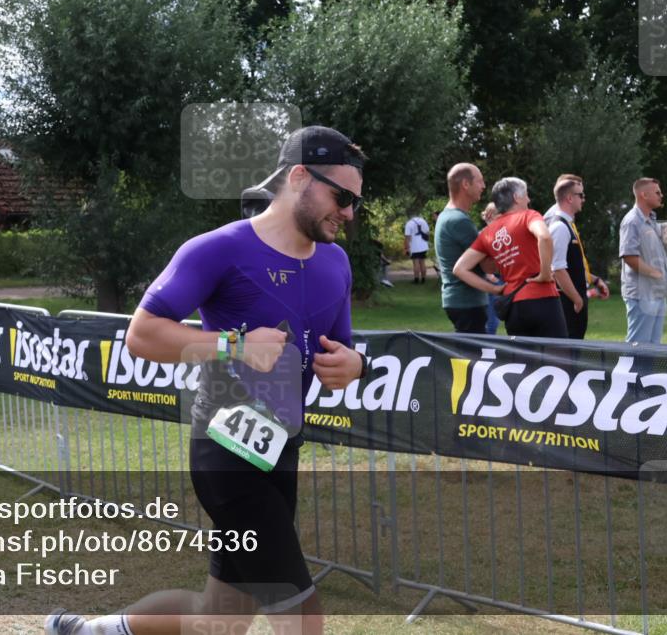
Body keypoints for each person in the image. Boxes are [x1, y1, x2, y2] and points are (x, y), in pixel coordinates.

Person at [45, 126, 367, 635]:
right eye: (342, 197)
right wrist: (235, 346)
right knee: (301, 616)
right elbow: (142, 334)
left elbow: (338, 354)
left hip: (281, 453)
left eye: (355, 203)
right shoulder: (219, 249)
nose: (349, 213)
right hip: (226, 455)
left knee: (219, 618)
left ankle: (92, 631)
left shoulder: (336, 261)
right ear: (300, 176)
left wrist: (354, 366)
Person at [453, 177, 567, 338]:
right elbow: (545, 237)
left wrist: (494, 289)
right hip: (543, 298)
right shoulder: (528, 215)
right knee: (558, 358)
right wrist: (545, 273)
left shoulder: (487, 232)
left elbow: (460, 268)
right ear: (516, 197)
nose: (528, 199)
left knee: (522, 361)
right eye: (526, 195)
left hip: (513, 305)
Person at [543, 174, 610, 339]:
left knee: (574, 344)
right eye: (581, 195)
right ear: (569, 198)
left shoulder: (567, 224)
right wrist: (577, 299)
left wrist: (593, 280)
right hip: (567, 302)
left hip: (573, 299)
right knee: (568, 349)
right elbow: (557, 269)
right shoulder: (559, 226)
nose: (584, 199)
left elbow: (574, 264)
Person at [435, 163, 489, 333]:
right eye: (479, 181)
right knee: (473, 357)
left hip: (460, 301)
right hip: (467, 303)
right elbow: (487, 262)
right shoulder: (459, 220)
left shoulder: (448, 215)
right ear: (466, 184)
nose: (483, 186)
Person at [619, 177, 667, 344]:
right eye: (657, 192)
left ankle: (645, 372)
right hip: (642, 294)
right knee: (638, 347)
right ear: (644, 195)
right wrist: (655, 273)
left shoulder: (651, 219)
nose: (661, 195)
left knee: (652, 347)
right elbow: (628, 256)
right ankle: (626, 371)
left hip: (655, 292)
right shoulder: (632, 221)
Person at [480, 202, 502, 335]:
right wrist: (489, 276)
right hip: (491, 281)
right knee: (491, 322)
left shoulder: (502, 234)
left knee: (495, 320)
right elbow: (476, 260)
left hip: (502, 279)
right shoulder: (483, 234)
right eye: (498, 214)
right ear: (489, 216)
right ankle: (487, 350)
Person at [404, 213, 431, 283]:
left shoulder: (409, 223)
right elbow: (428, 233)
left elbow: (407, 237)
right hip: (423, 246)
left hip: (414, 246)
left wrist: (407, 247)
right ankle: (423, 279)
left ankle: (416, 279)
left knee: (415, 262)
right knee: (422, 262)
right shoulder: (423, 221)